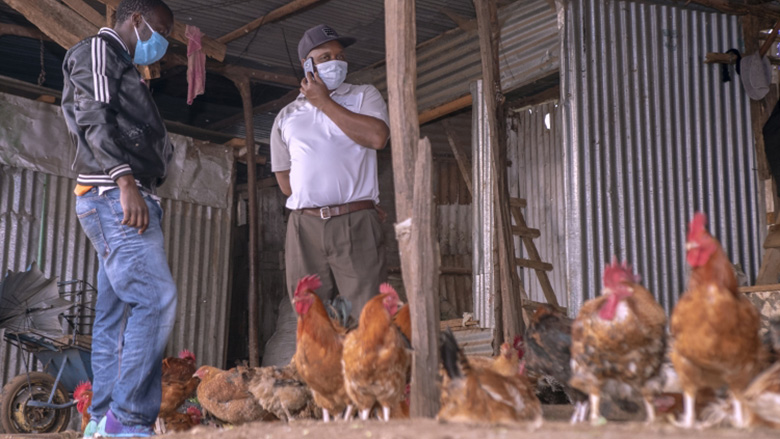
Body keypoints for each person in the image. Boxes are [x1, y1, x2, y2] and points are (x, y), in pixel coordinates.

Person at [61, 0, 177, 437]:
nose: (163, 42)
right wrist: (125, 181)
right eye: (161, 30)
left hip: (119, 194)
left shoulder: (123, 66)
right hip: (114, 194)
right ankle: (126, 421)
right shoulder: (98, 50)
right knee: (156, 298)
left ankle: (99, 422)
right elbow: (92, 115)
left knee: (113, 315)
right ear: (136, 20)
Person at [264, 24, 390, 365]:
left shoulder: (364, 95)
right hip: (305, 229)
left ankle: (373, 395)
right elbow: (284, 179)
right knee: (311, 315)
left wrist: (325, 103)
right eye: (325, 57)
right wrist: (315, 201)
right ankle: (324, 399)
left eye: (340, 56)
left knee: (366, 314)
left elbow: (378, 137)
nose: (335, 62)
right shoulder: (287, 116)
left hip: (355, 220)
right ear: (307, 66)